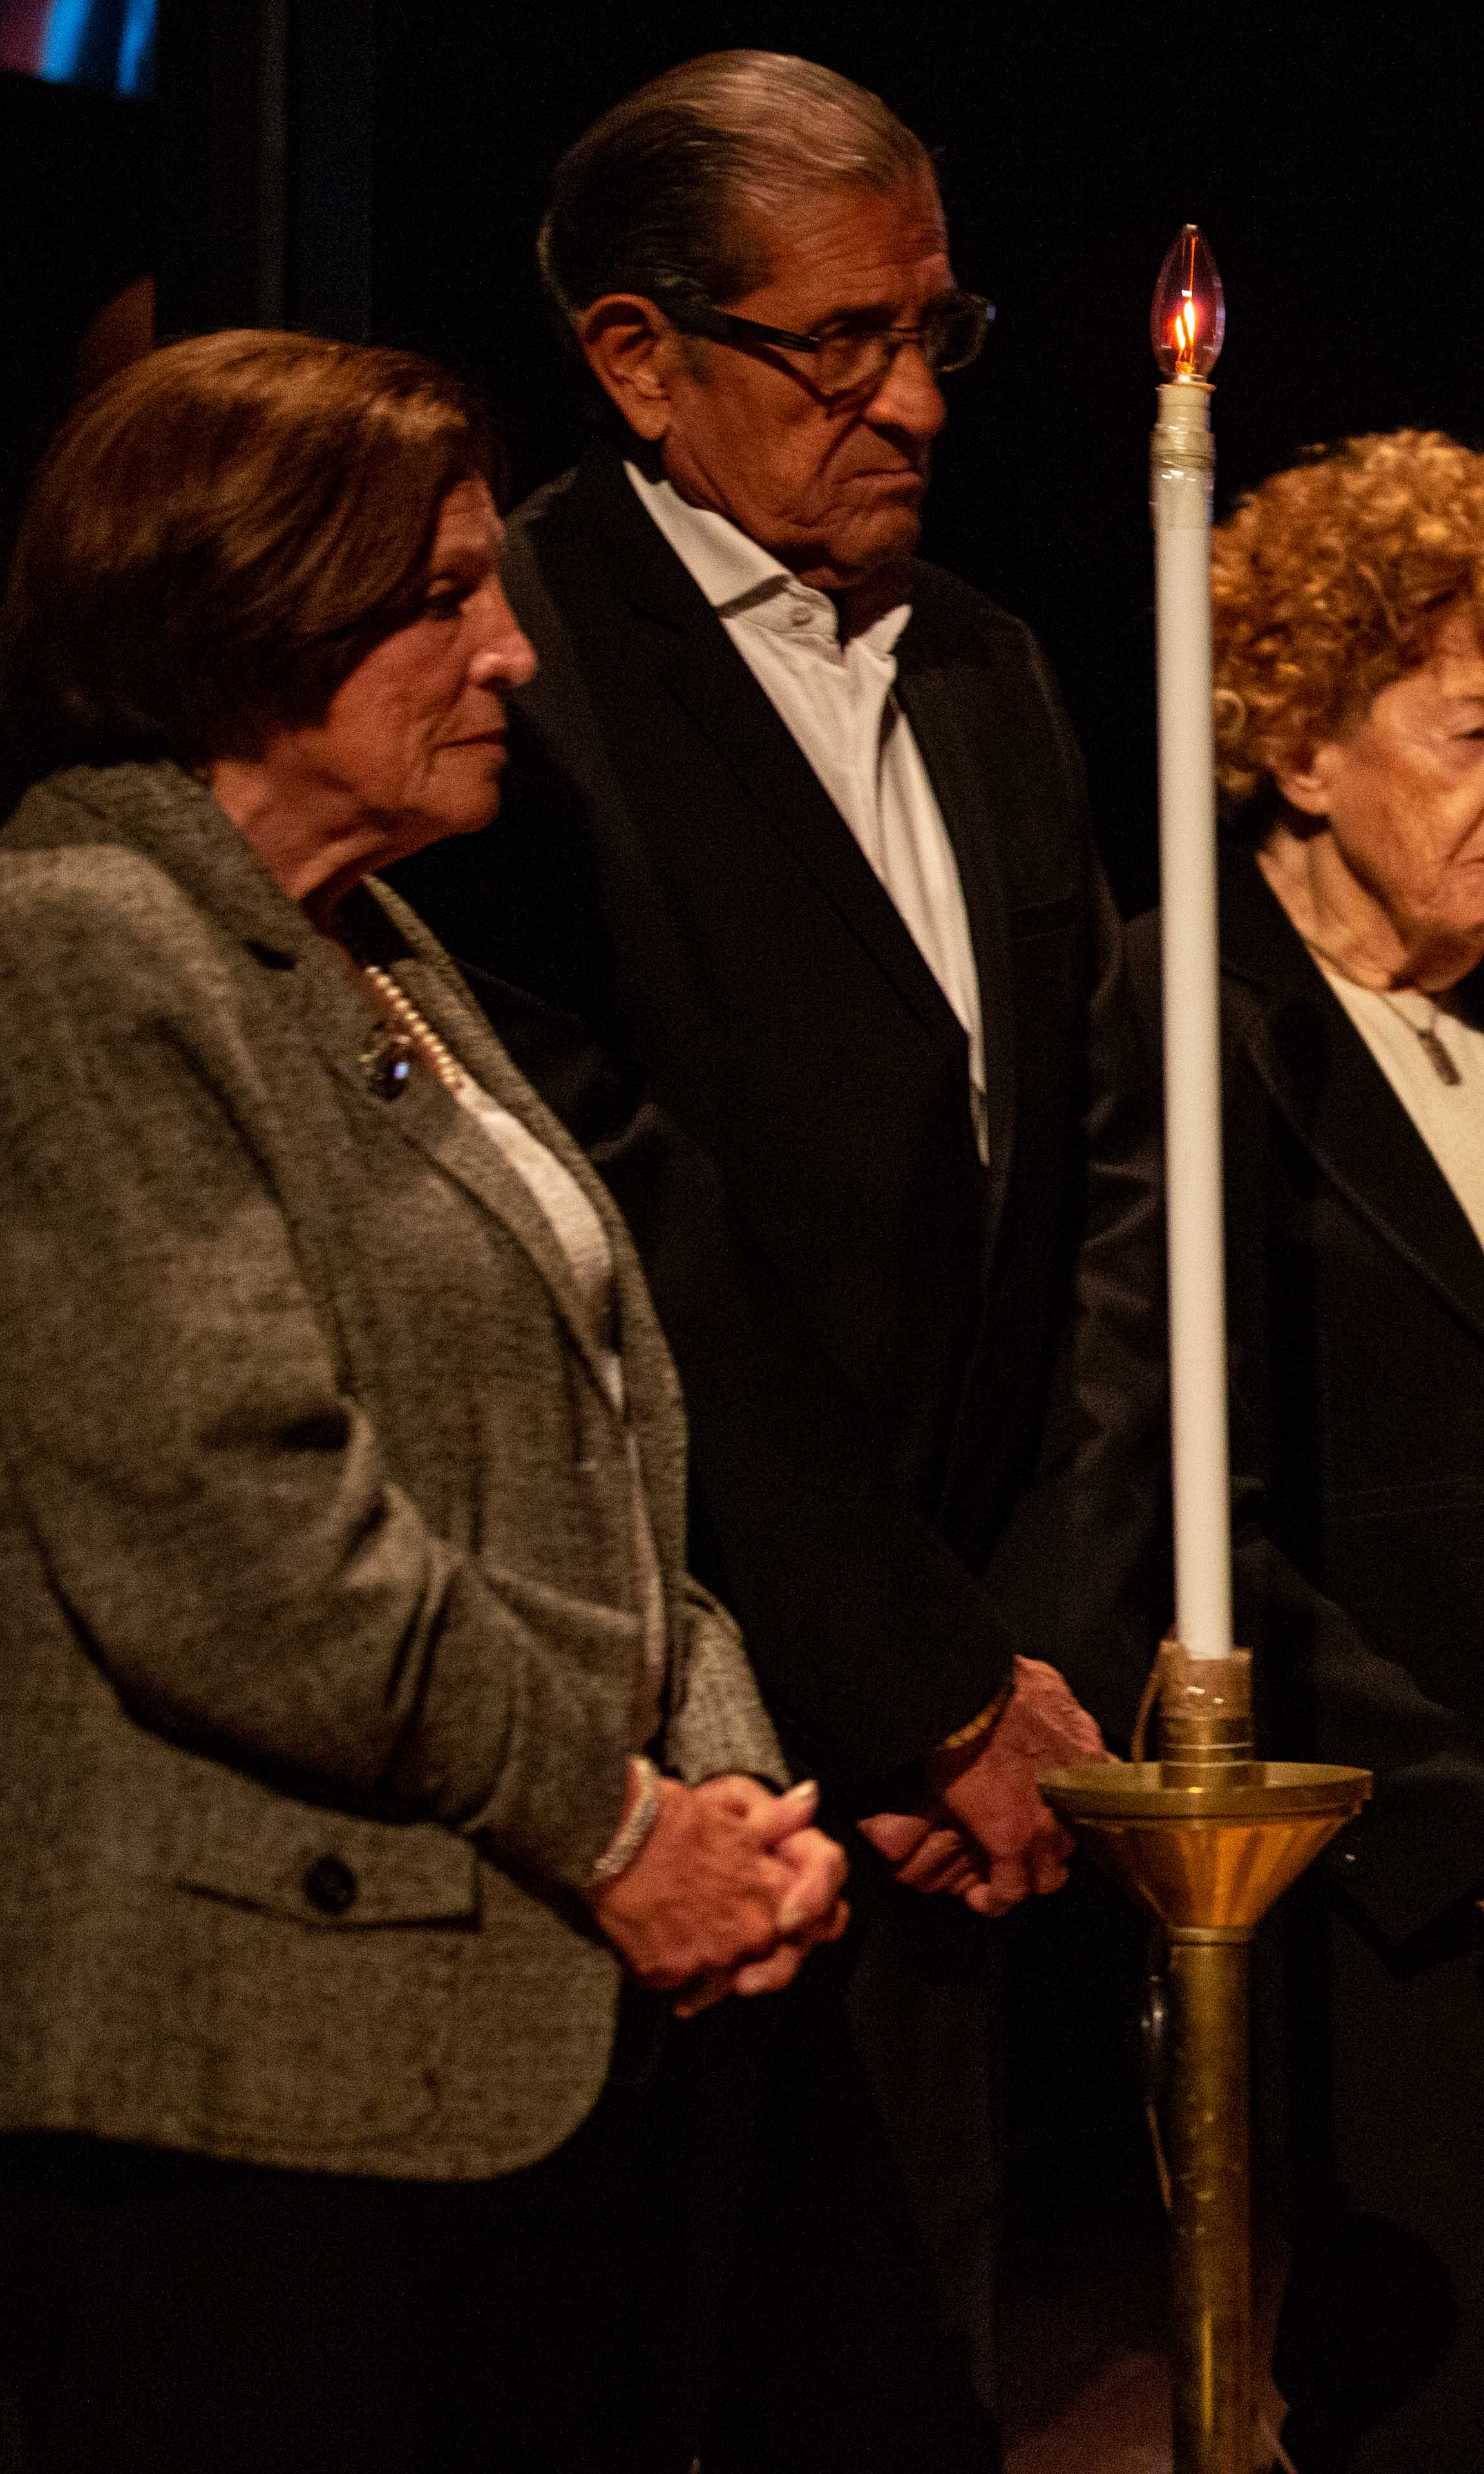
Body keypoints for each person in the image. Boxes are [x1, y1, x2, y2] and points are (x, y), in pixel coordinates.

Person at [0, 330, 848, 2471]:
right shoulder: (73, 947)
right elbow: (244, 1543)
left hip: (495, 2032)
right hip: (237, 2087)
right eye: (445, 598)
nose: (511, 652)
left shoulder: (382, 948)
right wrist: (625, 1831)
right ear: (248, 615)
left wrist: (733, 1789)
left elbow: (606, 1434)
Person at [386, 53, 1121, 2466]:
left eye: (936, 329)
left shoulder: (992, 669)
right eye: (839, 345)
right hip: (675, 1742)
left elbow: (1079, 1208)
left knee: (913, 2382)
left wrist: (1023, 1662)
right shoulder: (519, 676)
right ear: (634, 356)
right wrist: (904, 1673)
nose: (908, 397)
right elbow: (614, 1220)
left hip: (967, 1755)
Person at [1050, 430, 1484, 2471]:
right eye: (1470, 727)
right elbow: (1181, 1506)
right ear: (1301, 745)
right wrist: (1482, 1817)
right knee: (1450, 2397)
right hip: (1392, 1875)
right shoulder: (1190, 1015)